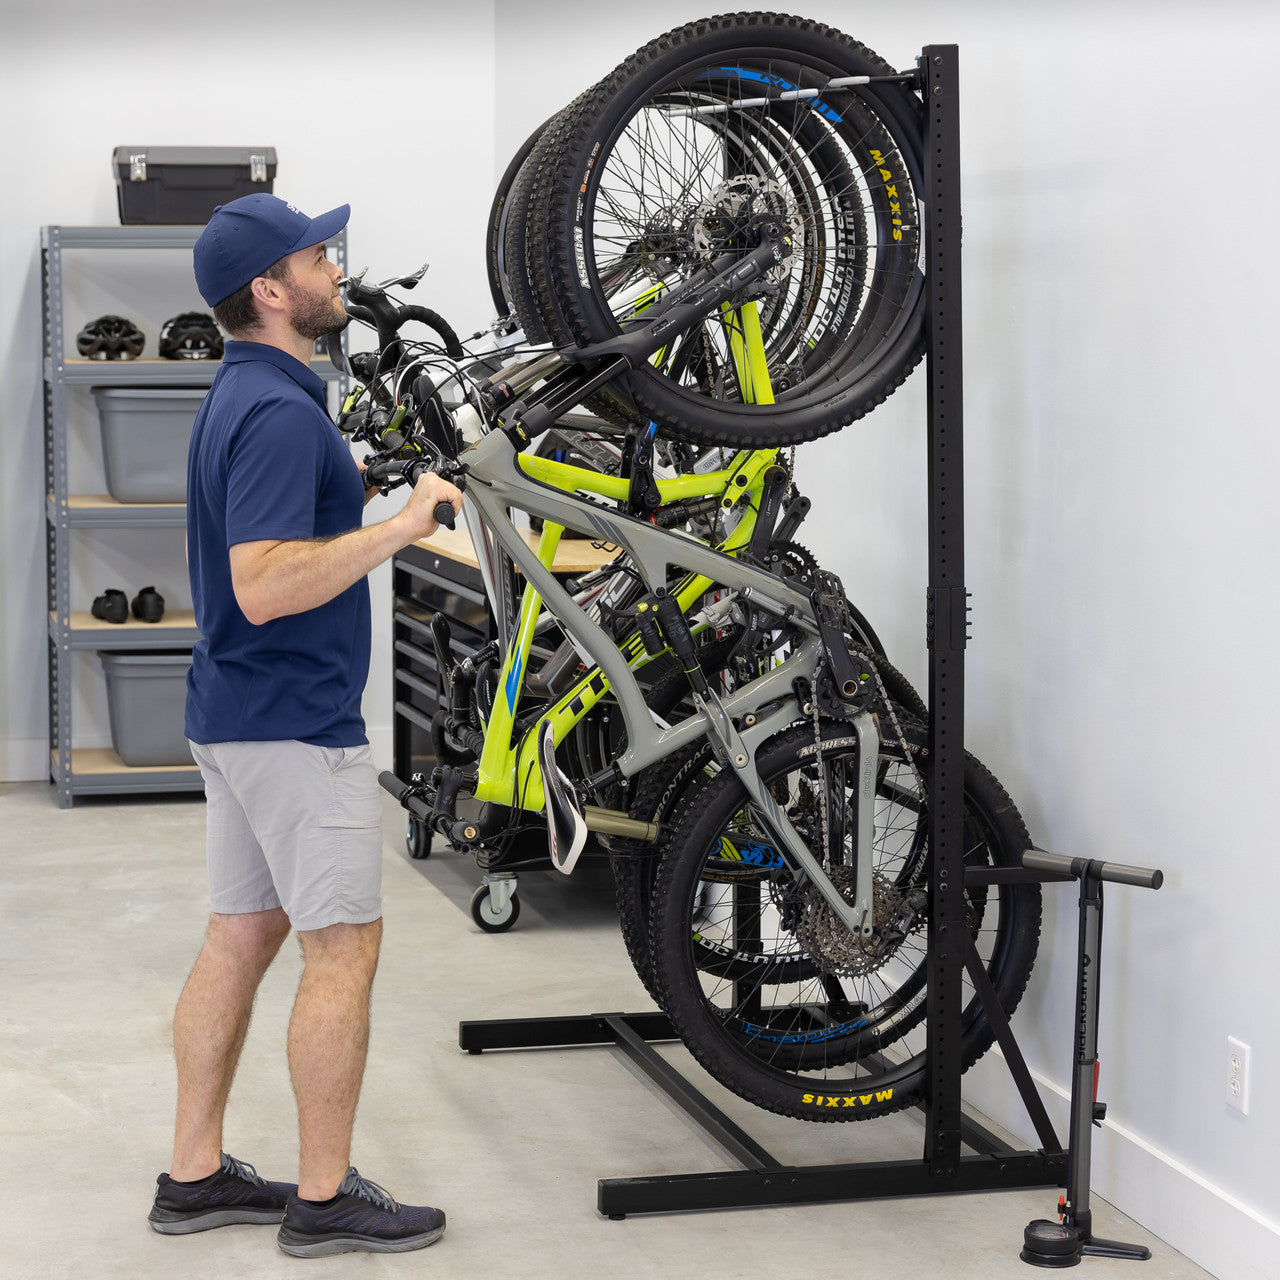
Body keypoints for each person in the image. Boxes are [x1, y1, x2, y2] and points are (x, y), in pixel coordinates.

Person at [146, 193, 460, 1258]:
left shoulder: (255, 391)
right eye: (314, 255)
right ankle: (324, 1198)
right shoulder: (281, 413)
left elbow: (272, 530)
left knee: (243, 931)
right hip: (290, 721)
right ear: (272, 290)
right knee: (343, 949)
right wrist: (399, 527)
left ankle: (192, 1173)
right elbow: (267, 582)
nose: (333, 266)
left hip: (234, 709)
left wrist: (352, 487)